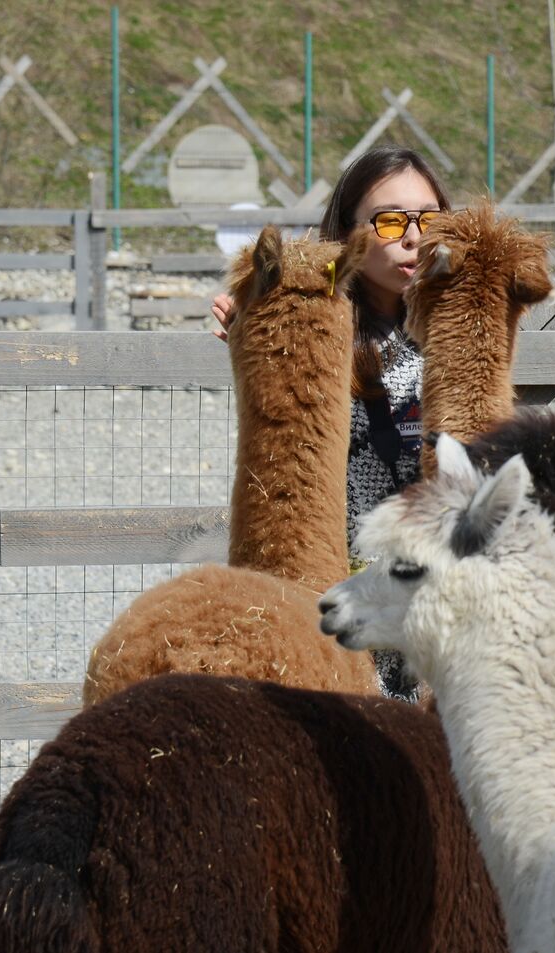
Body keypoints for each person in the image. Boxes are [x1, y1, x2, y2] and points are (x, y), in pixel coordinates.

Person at [212, 145, 451, 696]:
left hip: (438, 607)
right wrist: (255, 324)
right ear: (348, 235)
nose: (413, 237)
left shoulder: (459, 335)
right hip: (346, 599)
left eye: (429, 218)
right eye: (389, 221)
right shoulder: (313, 338)